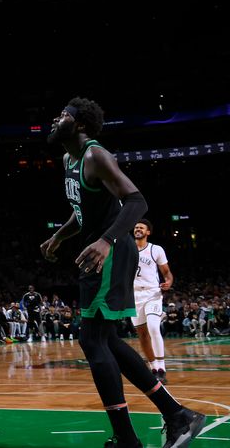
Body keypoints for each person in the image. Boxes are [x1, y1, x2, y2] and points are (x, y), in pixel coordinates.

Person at [40, 97, 204, 448]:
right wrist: (58, 236)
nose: (56, 119)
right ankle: (177, 415)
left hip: (111, 252)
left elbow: (136, 202)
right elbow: (80, 211)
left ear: (80, 125)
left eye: (63, 116)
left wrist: (106, 241)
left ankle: (130, 438)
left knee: (92, 339)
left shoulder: (96, 155)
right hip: (98, 250)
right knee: (108, 340)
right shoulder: (69, 159)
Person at [131, 218, 174, 385]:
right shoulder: (127, 250)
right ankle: (154, 368)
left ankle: (162, 368)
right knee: (142, 335)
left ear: (148, 232)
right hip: (133, 296)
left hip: (152, 293)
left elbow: (167, 273)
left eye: (141, 227)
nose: (138, 229)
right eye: (136, 227)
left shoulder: (156, 249)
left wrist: (168, 282)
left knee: (154, 327)